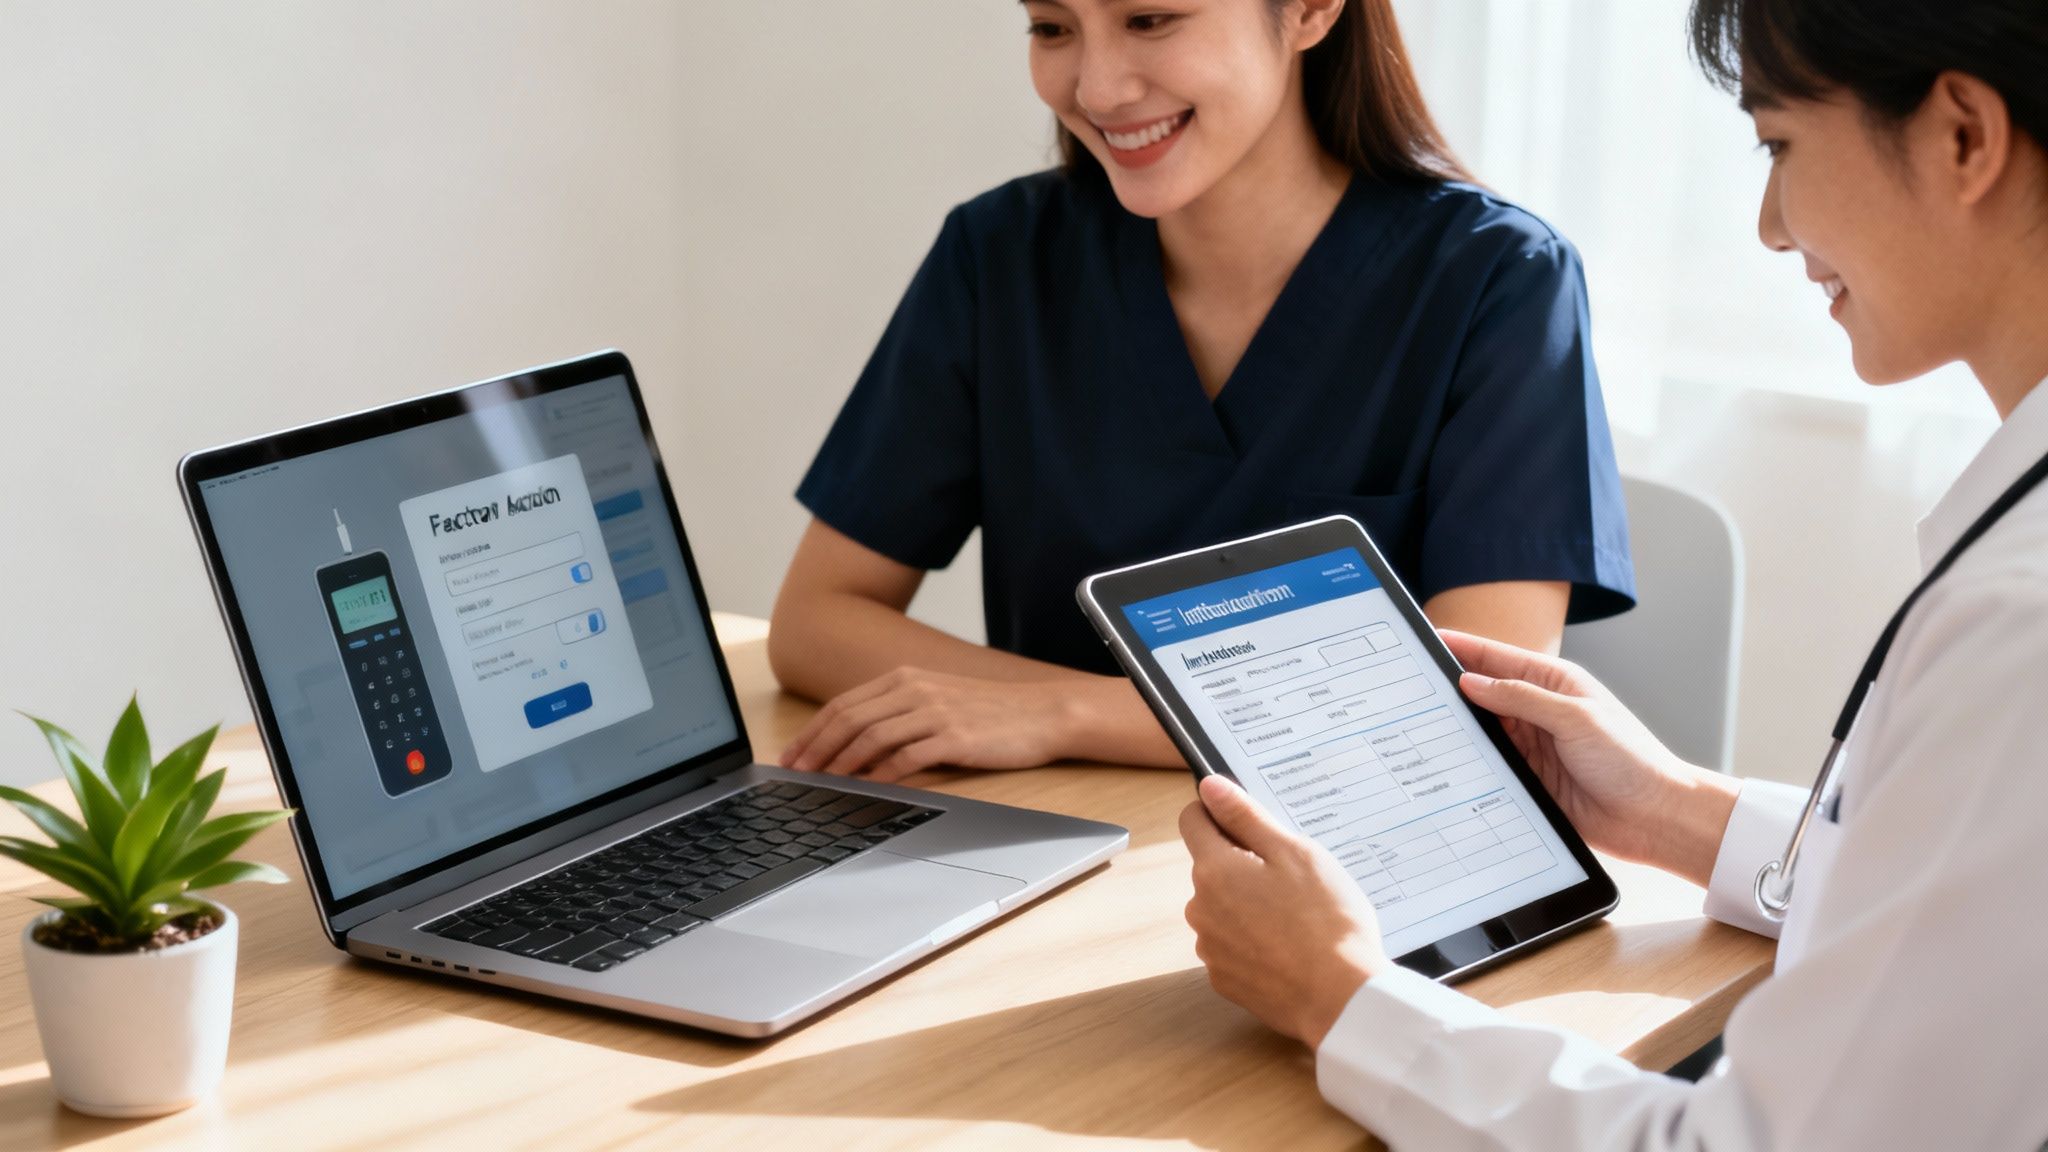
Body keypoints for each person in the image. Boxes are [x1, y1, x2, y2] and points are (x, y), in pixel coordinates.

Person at [1177, 0, 2048, 1147]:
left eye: (1777, 144)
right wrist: (1679, 812)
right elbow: (1973, 919)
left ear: (1961, 138)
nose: (1768, 227)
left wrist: (1336, 994)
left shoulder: (2017, 623)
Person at [772, 0, 1634, 784]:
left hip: (1352, 870)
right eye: (1052, 28)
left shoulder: (1498, 281)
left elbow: (1478, 704)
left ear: (1308, 10)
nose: (1099, 87)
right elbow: (816, 622)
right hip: (1056, 836)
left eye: (1150, 20)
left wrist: (1062, 711)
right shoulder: (1001, 256)